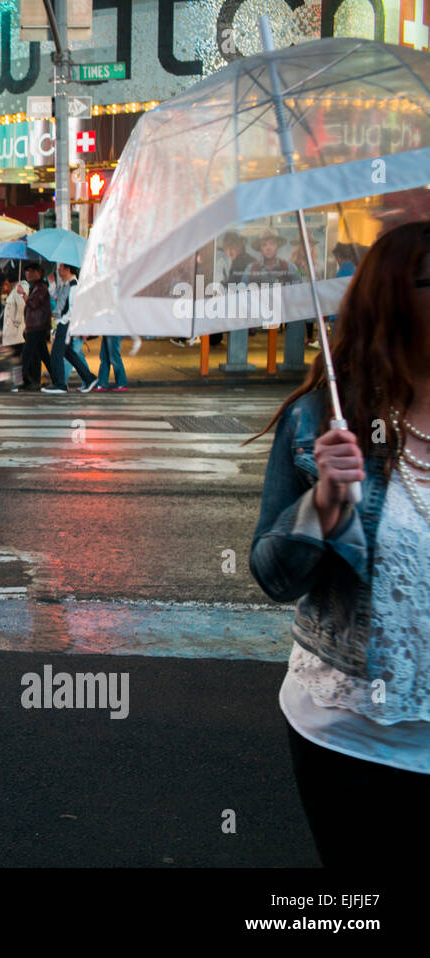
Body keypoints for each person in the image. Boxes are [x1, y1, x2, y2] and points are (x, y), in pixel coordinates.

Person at [250, 220, 430, 866]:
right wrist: (324, 504)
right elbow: (273, 574)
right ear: (392, 302)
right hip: (350, 736)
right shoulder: (322, 421)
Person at [44, 264, 96, 394]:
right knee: (68, 353)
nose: (58, 270)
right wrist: (52, 285)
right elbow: (59, 299)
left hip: (66, 323)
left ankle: (60, 384)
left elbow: (73, 308)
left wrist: (63, 321)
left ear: (68, 270)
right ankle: (89, 378)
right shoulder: (66, 284)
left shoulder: (74, 286)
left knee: (56, 353)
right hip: (63, 323)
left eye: (61, 268)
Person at [20, 264, 53, 391]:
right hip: (35, 326)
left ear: (39, 273)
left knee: (26, 355)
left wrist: (23, 294)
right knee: (44, 355)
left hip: (37, 327)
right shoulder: (35, 287)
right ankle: (57, 379)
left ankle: (20, 381)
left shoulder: (41, 287)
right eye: (27, 271)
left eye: (33, 272)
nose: (29, 274)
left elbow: (33, 304)